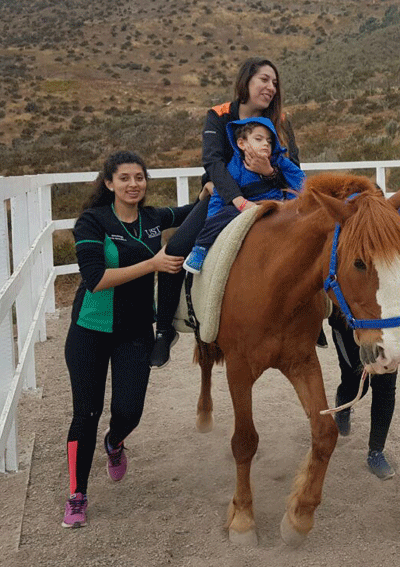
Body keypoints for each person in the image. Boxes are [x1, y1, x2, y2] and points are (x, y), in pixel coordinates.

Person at [62, 151, 197, 529]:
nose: (133, 184)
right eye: (124, 178)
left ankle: (116, 442)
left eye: (139, 177)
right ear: (109, 183)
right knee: (86, 414)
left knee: (129, 411)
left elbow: (187, 213)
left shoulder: (152, 219)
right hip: (90, 329)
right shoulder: (93, 222)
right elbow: (95, 279)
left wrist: (214, 190)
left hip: (135, 332)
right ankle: (77, 495)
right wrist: (153, 264)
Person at [150, 57, 309, 367]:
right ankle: (164, 330)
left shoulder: (281, 121)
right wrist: (236, 199)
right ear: (246, 81)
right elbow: (213, 162)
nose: (271, 87)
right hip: (223, 198)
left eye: (275, 83)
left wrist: (268, 173)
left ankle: (308, 318)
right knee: (177, 248)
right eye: (264, 79)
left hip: (272, 195)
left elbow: (295, 168)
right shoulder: (219, 115)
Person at [183, 117, 305, 273]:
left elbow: (300, 180)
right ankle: (201, 248)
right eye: (258, 139)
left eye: (269, 141)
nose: (265, 144)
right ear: (242, 143)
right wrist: (212, 219)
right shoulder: (235, 167)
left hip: (275, 205)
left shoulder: (279, 161)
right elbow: (219, 196)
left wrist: (292, 203)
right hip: (243, 207)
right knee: (224, 213)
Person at [328, 308, 398, 480]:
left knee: (386, 386)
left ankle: (376, 452)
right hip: (347, 323)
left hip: (385, 322)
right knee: (356, 384)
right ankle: (343, 405)